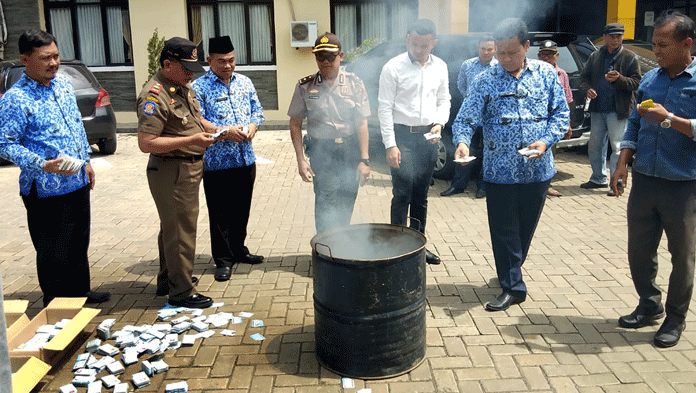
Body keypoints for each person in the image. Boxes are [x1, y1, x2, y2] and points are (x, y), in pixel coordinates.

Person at [452, 18, 569, 311]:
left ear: (526, 46)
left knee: (525, 229)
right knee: (504, 230)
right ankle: (512, 286)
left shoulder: (546, 74)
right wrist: (462, 141)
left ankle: (510, 270)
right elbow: (465, 119)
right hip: (499, 171)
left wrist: (546, 141)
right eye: (500, 53)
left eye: (511, 52)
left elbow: (561, 115)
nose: (504, 58)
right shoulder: (485, 80)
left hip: (538, 170)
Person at [0, 29, 110, 308]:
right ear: (25, 59)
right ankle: (57, 305)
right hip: (46, 189)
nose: (53, 63)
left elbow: (76, 125)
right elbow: (5, 143)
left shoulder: (62, 84)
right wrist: (42, 164)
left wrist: (86, 161)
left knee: (77, 244)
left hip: (76, 181)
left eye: (56, 56)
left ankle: (80, 293)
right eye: (45, 58)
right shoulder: (15, 99)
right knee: (53, 251)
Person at [611, 11, 696, 348]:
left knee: (683, 255)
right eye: (654, 43)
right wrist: (621, 163)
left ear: (687, 43)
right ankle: (649, 305)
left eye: (662, 44)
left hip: (684, 185)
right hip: (645, 179)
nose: (655, 50)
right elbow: (634, 123)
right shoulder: (650, 80)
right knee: (639, 252)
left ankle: (675, 319)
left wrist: (670, 118)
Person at [137, 37, 220, 309]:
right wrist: (192, 140)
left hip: (187, 168)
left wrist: (218, 129)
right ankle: (182, 292)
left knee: (172, 229)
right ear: (167, 64)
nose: (190, 74)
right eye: (185, 68)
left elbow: (195, 120)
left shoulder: (181, 86)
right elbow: (146, 142)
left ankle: (170, 279)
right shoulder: (155, 94)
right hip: (172, 170)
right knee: (181, 231)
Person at [192, 36, 265, 282]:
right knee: (220, 213)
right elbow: (198, 120)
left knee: (241, 210)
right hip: (216, 163)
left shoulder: (245, 82)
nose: (227, 66)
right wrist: (225, 132)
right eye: (221, 61)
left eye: (232, 60)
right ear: (209, 60)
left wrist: (254, 125)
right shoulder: (199, 87)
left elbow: (258, 110)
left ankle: (239, 249)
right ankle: (223, 260)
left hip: (245, 160)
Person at [378, 19, 451, 265]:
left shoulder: (440, 66)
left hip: (428, 137)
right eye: (416, 43)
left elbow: (444, 99)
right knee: (402, 195)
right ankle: (397, 249)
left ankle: (417, 246)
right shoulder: (393, 67)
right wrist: (390, 144)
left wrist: (440, 122)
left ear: (434, 43)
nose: (419, 50)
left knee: (421, 195)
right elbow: (384, 108)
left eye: (425, 45)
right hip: (402, 137)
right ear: (408, 38)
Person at [288, 32, 370, 234]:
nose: (325, 61)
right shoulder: (305, 87)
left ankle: (341, 246)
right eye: (320, 57)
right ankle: (325, 248)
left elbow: (361, 122)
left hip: (349, 150)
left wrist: (364, 160)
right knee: (325, 199)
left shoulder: (354, 83)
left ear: (341, 55)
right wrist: (301, 160)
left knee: (347, 196)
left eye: (330, 57)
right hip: (321, 150)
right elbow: (295, 124)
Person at [580, 22, 641, 195]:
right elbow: (583, 78)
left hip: (618, 110)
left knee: (617, 146)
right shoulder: (595, 55)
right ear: (605, 37)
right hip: (598, 108)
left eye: (619, 36)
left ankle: (617, 182)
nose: (615, 39)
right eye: (612, 36)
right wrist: (587, 90)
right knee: (595, 146)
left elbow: (637, 82)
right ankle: (598, 178)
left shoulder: (630, 57)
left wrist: (619, 79)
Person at [441, 36, 497, 199]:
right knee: (465, 150)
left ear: (494, 50)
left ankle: (483, 187)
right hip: (470, 117)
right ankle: (458, 185)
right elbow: (461, 85)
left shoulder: (499, 67)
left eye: (490, 49)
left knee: (488, 153)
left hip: (490, 119)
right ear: (478, 48)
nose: (486, 52)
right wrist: (472, 102)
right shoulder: (467, 65)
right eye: (483, 48)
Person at [537, 40, 574, 197]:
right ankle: (536, 186)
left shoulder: (562, 74)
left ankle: (546, 185)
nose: (546, 57)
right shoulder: (532, 73)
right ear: (538, 56)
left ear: (557, 56)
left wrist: (568, 124)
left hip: (554, 123)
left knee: (551, 154)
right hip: (538, 121)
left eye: (550, 54)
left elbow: (567, 100)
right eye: (544, 54)